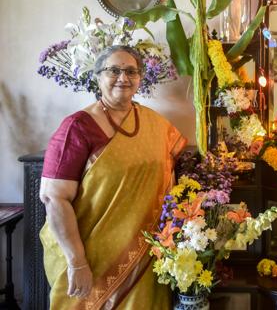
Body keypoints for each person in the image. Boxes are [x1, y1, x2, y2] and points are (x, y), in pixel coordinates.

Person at [39, 45, 186, 309]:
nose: (123, 78)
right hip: (92, 262)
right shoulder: (77, 128)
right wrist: (77, 262)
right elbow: (54, 198)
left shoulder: (156, 125)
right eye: (113, 70)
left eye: (131, 71)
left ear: (141, 78)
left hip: (146, 259)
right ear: (98, 76)